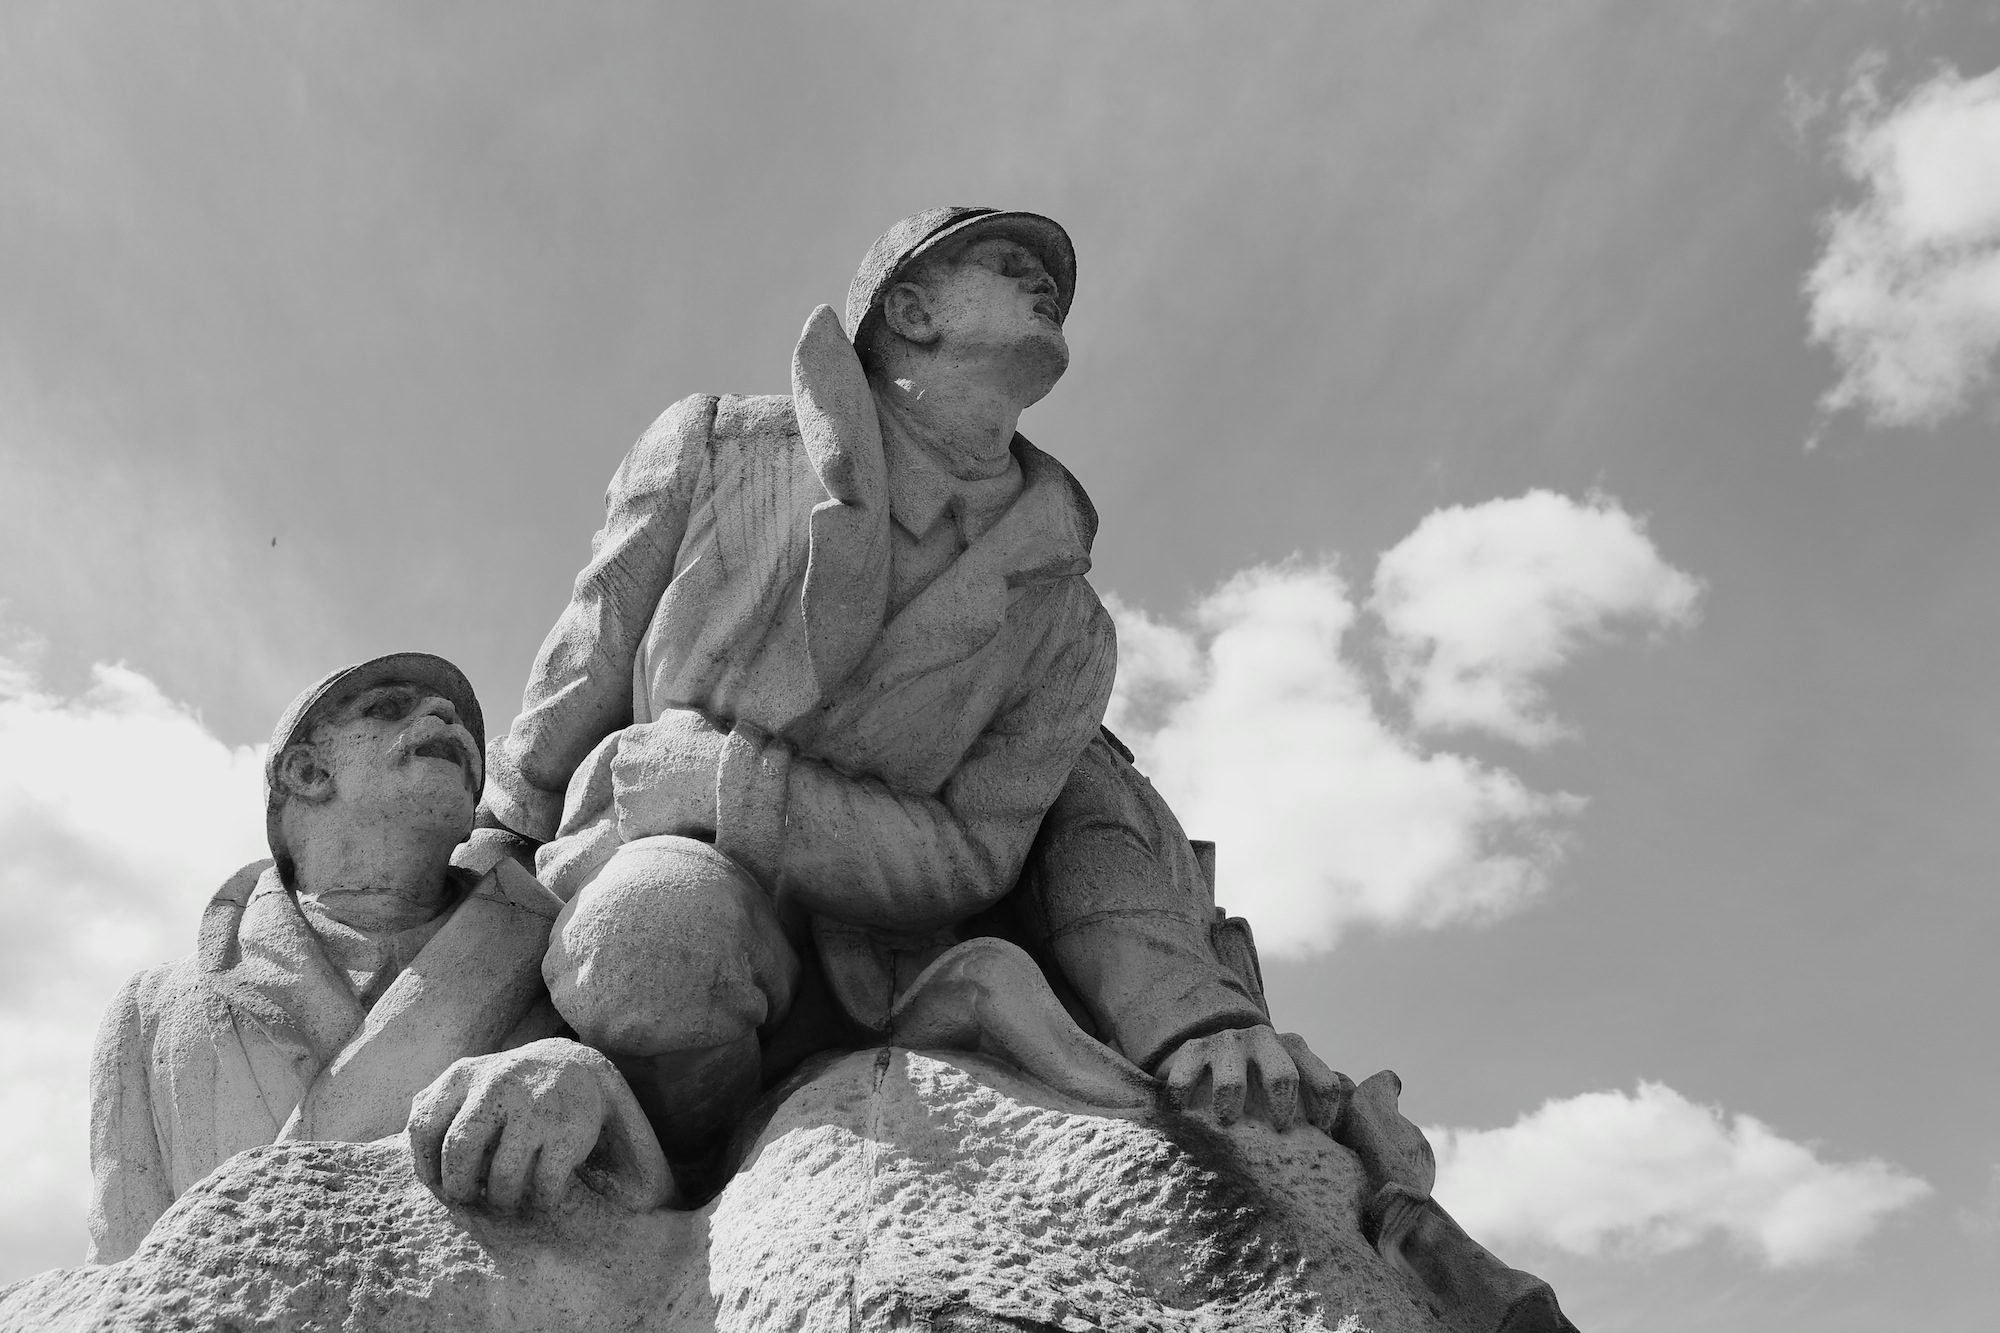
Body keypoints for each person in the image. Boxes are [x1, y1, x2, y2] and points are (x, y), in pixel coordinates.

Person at [85, 653, 668, 1263]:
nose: (445, 717)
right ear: (307, 770)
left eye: (463, 727)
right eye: (388, 708)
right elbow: (119, 1271)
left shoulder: (567, 959)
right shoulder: (150, 1012)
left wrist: (588, 1087)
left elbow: (678, 1223)